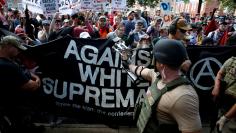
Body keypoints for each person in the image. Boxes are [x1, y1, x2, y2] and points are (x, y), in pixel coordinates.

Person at [121, 39, 202, 133]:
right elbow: (141, 70)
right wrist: (128, 64)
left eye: (155, 57)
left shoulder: (184, 97)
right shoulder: (156, 76)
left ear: (161, 64)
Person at [0, 35, 42, 132]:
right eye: (17, 48)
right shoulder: (7, 66)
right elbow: (31, 86)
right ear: (8, 46)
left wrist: (34, 77)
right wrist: (37, 81)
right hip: (14, 110)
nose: (19, 51)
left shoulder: (10, 62)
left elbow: (25, 72)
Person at [212, 56, 236, 133]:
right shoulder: (232, 60)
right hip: (223, 101)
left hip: (233, 109)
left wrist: (225, 118)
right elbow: (220, 73)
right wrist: (216, 87)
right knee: (217, 126)